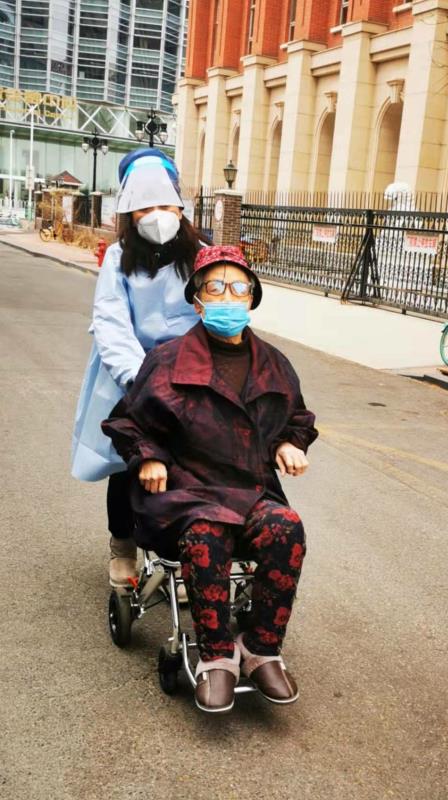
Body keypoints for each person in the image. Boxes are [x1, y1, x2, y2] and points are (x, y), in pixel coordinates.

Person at [102, 245, 318, 714]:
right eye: (215, 287)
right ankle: (216, 656)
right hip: (185, 494)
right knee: (207, 532)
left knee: (286, 528)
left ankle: (261, 648)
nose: (228, 296)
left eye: (238, 287)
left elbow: (297, 418)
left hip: (249, 490)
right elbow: (127, 422)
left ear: (252, 298)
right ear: (198, 302)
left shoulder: (274, 363)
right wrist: (148, 458)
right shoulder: (168, 360)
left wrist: (290, 442)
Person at [71, 148, 206, 587]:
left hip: (190, 377)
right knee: (126, 463)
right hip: (129, 375)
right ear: (130, 211)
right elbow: (112, 322)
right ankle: (123, 545)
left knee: (189, 465)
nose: (157, 216)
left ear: (180, 206)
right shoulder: (118, 257)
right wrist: (142, 381)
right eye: (145, 207)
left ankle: (181, 550)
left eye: (165, 204)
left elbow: (216, 311)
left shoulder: (202, 255)